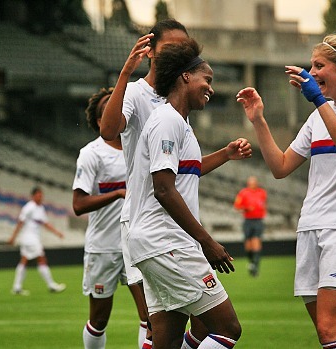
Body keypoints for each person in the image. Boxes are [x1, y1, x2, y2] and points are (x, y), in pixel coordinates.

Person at [237, 33, 336, 349]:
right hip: (310, 228)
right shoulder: (316, 117)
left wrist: (319, 101)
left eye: (319, 65)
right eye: (311, 65)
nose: (311, 72)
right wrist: (258, 121)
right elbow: (281, 167)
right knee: (331, 336)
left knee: (330, 329)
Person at [126, 37, 251, 349]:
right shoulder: (167, 120)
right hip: (166, 241)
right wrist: (208, 242)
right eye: (206, 80)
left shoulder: (179, 123)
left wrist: (224, 154)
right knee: (227, 328)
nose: (210, 87)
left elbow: (183, 174)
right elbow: (164, 190)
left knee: (165, 342)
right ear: (185, 76)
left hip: (156, 243)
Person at [100, 19, 211, 349]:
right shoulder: (136, 92)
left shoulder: (180, 97)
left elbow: (184, 170)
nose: (178, 54)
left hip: (175, 218)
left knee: (178, 324)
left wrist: (226, 155)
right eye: (170, 48)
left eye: (183, 48)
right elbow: (109, 132)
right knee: (164, 320)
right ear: (150, 52)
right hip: (145, 218)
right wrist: (124, 74)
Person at [72, 88, 150, 349]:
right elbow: (79, 204)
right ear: (99, 121)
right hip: (103, 247)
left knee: (150, 315)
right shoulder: (91, 153)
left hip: (136, 245)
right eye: (108, 106)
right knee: (99, 319)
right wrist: (117, 193)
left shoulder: (139, 148)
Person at [8, 186, 66, 295]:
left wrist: (57, 233)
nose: (40, 197)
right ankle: (51, 285)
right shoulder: (29, 207)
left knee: (24, 261)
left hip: (30, 239)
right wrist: (13, 237)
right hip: (30, 239)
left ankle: (16, 287)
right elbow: (20, 222)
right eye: (38, 195)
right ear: (33, 196)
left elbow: (45, 224)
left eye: (41, 195)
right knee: (41, 259)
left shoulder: (40, 208)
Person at [233, 175, 267, 277]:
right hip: (248, 221)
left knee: (256, 241)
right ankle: (251, 261)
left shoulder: (262, 192)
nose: (252, 184)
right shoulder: (243, 193)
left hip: (258, 220)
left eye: (253, 182)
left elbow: (263, 205)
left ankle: (255, 266)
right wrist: (246, 208)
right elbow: (237, 206)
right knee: (248, 244)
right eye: (250, 182)